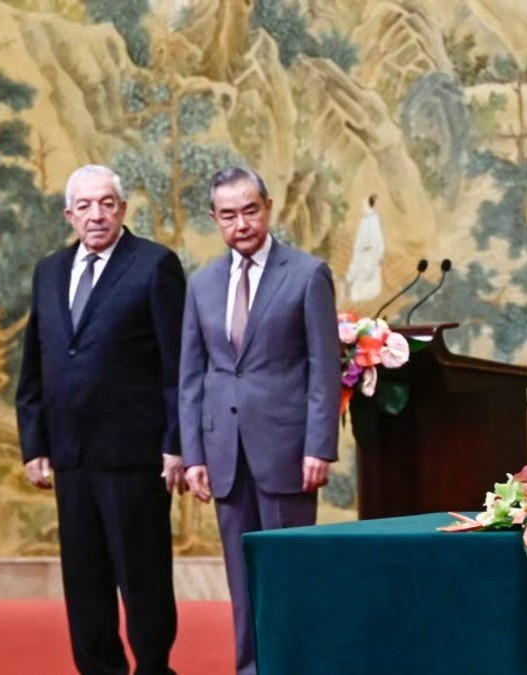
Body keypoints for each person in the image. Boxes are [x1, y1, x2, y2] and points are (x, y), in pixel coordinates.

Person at [16, 164, 186, 674]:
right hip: (71, 456)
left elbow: (178, 366)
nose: (96, 215)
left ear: (122, 209)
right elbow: (35, 362)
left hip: (135, 457)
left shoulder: (154, 265)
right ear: (70, 215)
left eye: (106, 203)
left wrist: (176, 443)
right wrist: (34, 442)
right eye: (85, 206)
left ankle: (155, 668)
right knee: (85, 582)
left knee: (143, 579)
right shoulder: (48, 271)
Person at [179, 167, 340, 675]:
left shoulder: (307, 273)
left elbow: (324, 367)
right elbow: (192, 374)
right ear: (214, 219)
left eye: (250, 210)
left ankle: (296, 666)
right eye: (228, 215)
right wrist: (193, 454)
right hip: (223, 452)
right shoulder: (201, 283)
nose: (241, 223)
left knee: (289, 573)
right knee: (242, 578)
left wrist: (320, 445)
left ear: (268, 208)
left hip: (288, 453)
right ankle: (250, 669)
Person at [344, 194, 385, 303]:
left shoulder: (373, 219)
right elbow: (361, 237)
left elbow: (376, 238)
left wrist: (376, 250)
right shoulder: (365, 219)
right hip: (362, 253)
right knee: (358, 271)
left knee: (367, 272)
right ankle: (352, 294)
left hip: (369, 254)